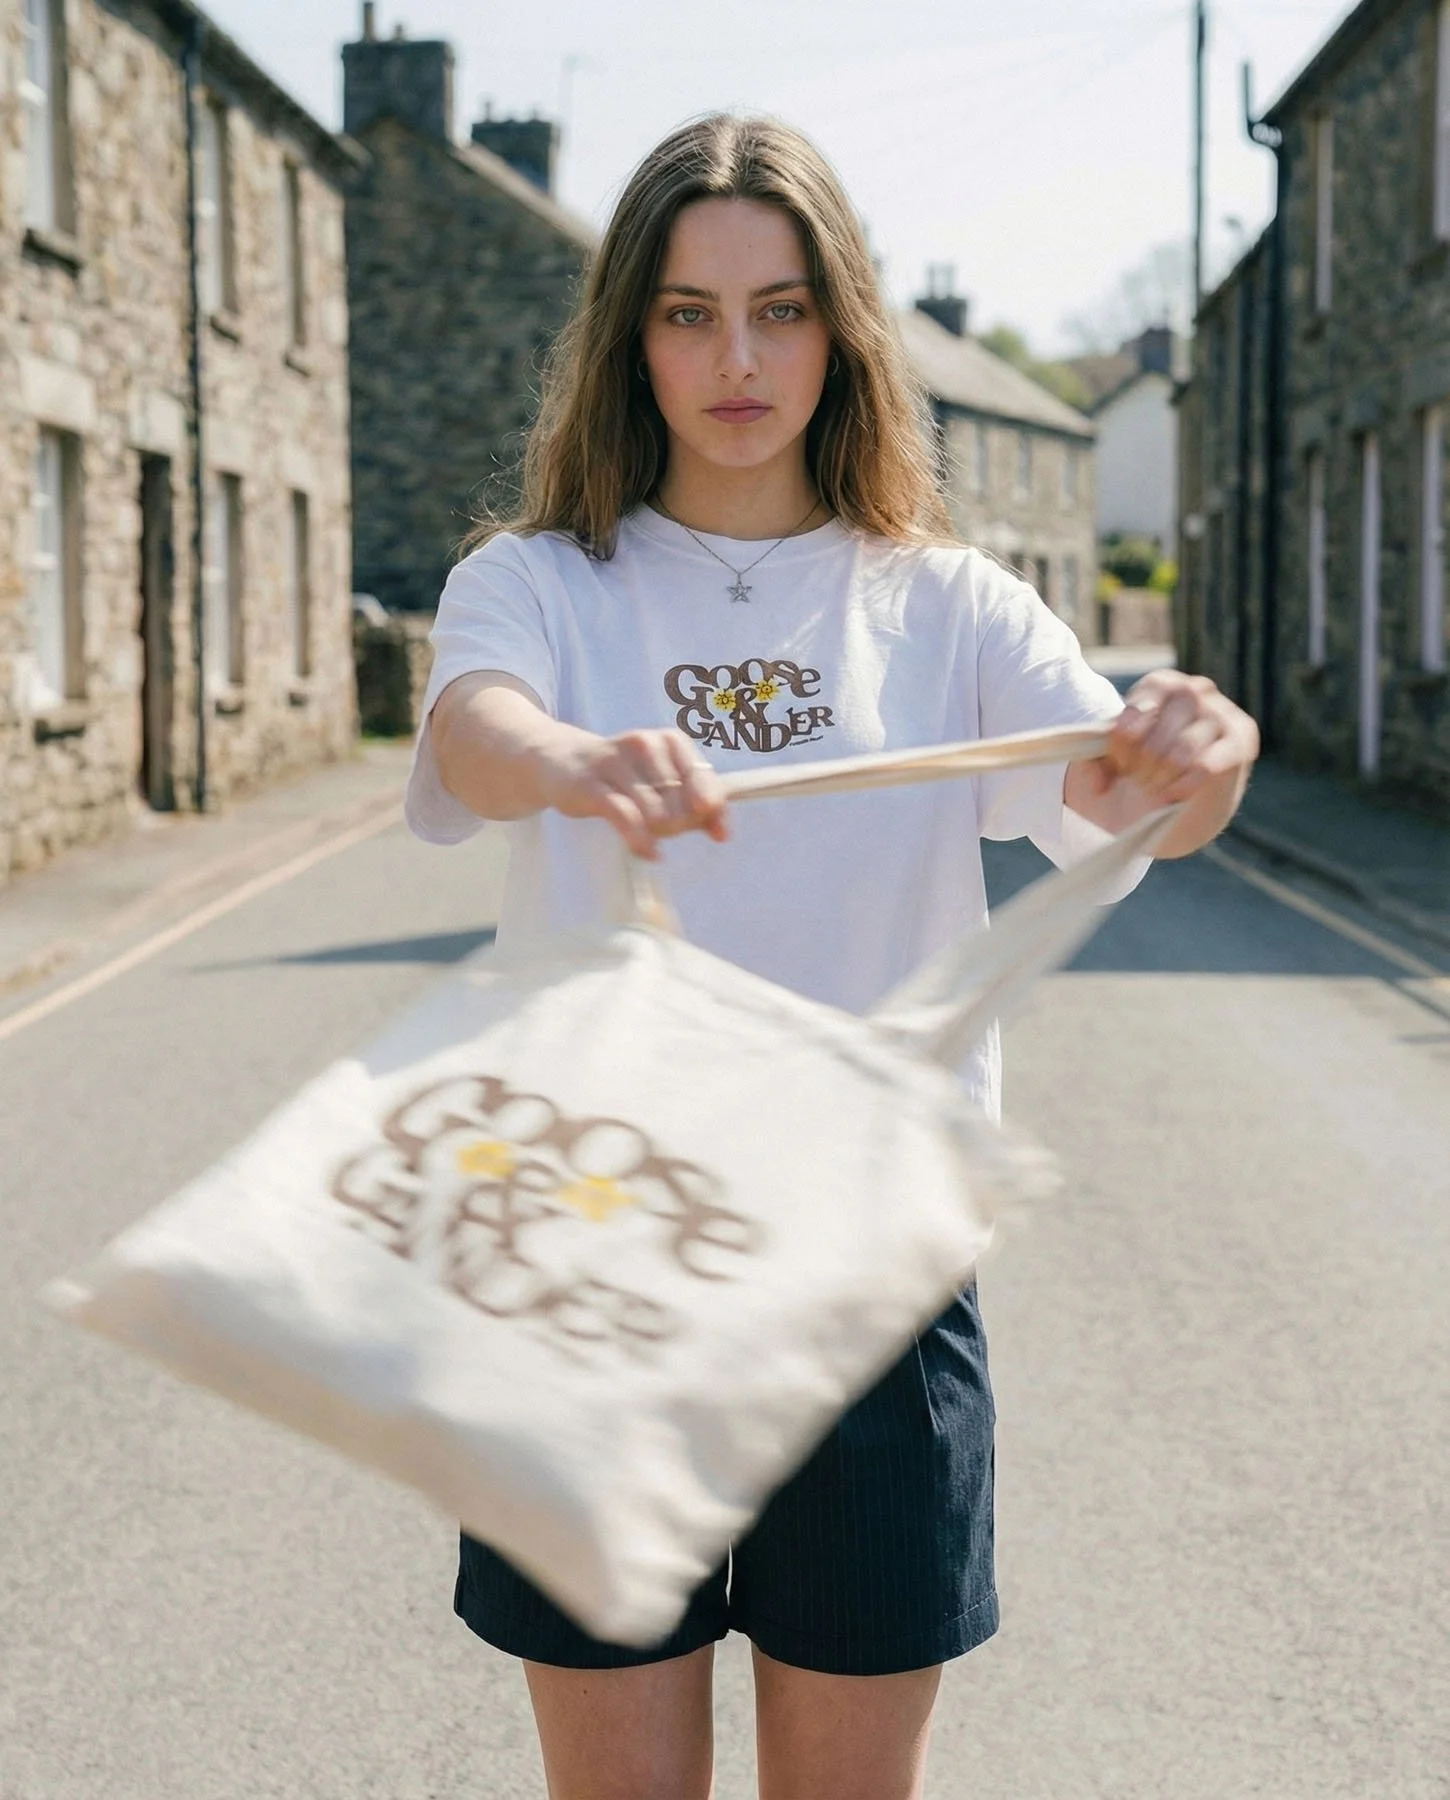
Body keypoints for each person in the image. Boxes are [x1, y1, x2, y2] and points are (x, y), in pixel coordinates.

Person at [405, 112, 1259, 1800]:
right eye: (688, 310)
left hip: (869, 1278)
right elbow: (476, 728)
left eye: (781, 309)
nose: (736, 356)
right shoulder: (539, 584)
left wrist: (1199, 751)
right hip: (592, 1265)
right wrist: (571, 759)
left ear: (842, 330)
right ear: (627, 337)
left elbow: (1129, 792)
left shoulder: (948, 604)